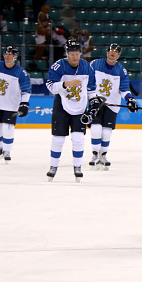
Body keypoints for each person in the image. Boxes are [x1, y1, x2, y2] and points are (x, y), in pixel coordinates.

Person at [45, 39, 97, 182]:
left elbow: (92, 89)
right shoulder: (58, 66)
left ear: (80, 53)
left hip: (80, 108)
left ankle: (77, 167)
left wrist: (93, 103)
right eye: (71, 54)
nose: (74, 57)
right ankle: (53, 166)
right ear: (67, 54)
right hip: (62, 106)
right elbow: (50, 86)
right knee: (58, 138)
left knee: (78, 138)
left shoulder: (87, 67)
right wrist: (66, 84)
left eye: (77, 54)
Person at [88, 43, 138, 169]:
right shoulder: (95, 64)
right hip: (96, 103)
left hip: (112, 104)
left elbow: (124, 89)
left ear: (119, 55)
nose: (113, 52)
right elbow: (87, 80)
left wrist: (130, 99)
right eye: (111, 50)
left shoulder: (121, 70)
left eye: (116, 51)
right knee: (95, 129)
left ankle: (103, 155)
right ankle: (94, 154)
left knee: (106, 131)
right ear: (107, 52)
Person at [0, 46, 31, 163]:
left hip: (11, 106)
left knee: (8, 129)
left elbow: (26, 91)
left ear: (15, 57)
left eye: (10, 54)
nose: (7, 56)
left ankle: (7, 151)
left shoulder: (20, 72)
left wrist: (24, 104)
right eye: (6, 54)